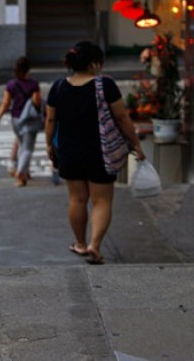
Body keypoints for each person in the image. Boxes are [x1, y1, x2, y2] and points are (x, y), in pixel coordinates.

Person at [45, 41, 145, 265]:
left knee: (77, 199)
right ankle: (95, 245)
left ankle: (79, 244)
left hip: (70, 153)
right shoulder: (105, 85)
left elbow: (51, 120)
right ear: (93, 64)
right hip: (101, 152)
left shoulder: (58, 87)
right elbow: (122, 117)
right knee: (101, 201)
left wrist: (49, 145)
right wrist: (135, 143)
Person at [0, 56, 41, 187]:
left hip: (15, 119)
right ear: (28, 70)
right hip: (29, 120)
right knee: (28, 149)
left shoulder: (11, 85)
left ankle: (24, 172)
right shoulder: (34, 85)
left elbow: (5, 103)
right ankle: (21, 174)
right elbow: (37, 102)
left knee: (21, 145)